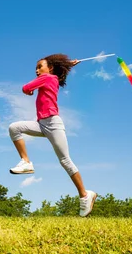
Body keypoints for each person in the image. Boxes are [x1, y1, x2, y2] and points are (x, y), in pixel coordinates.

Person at [8, 53, 97, 217]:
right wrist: (69, 65)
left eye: (40, 66)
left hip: (53, 124)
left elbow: (25, 88)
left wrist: (30, 90)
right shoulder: (50, 78)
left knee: (65, 160)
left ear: (51, 68)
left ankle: (85, 195)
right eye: (36, 68)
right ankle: (26, 162)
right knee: (15, 128)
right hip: (41, 124)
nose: (37, 70)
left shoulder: (48, 78)